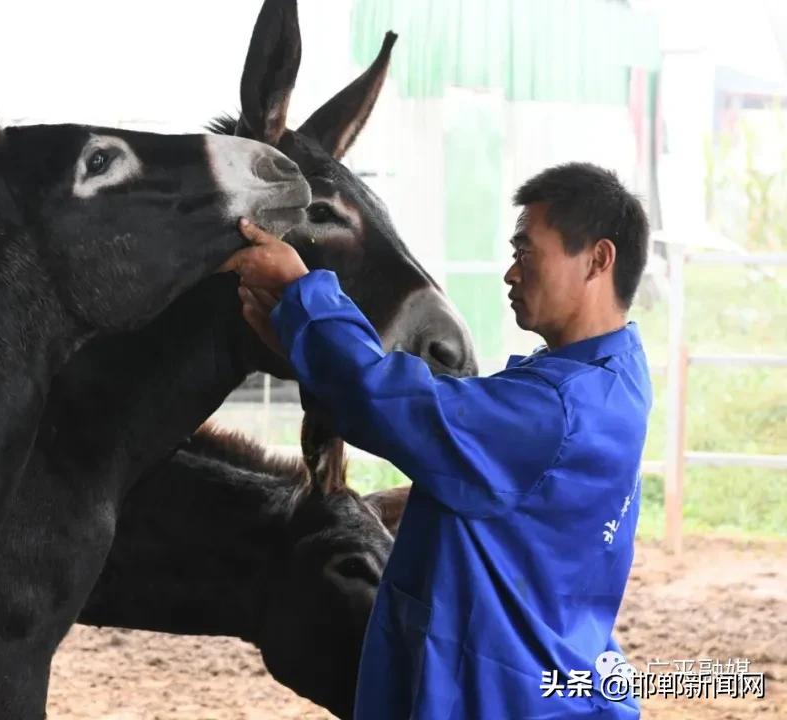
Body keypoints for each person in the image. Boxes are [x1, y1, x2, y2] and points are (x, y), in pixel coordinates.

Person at [220, 162, 652, 719]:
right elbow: (510, 468)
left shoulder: (556, 409)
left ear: (598, 259)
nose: (511, 274)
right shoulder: (617, 374)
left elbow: (396, 405)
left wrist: (302, 294)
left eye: (525, 251)